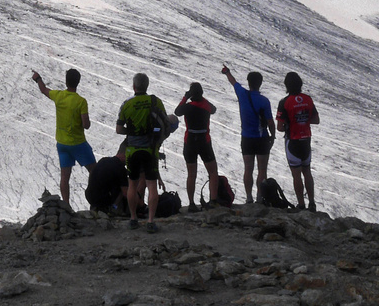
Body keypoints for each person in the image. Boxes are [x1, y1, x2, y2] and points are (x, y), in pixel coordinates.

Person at [31, 67, 94, 209]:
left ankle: (66, 205)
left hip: (62, 143)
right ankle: (94, 201)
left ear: (66, 82)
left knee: (65, 176)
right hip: (78, 143)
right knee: (94, 171)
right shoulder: (81, 101)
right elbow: (86, 125)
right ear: (78, 82)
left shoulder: (59, 96)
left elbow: (44, 90)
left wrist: (38, 78)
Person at [116, 72, 167, 232]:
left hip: (132, 150)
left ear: (134, 86)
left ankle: (133, 218)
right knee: (152, 185)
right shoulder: (155, 102)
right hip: (150, 150)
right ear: (147, 85)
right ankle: (151, 221)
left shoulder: (127, 105)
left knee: (132, 184)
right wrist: (153, 132)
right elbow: (163, 124)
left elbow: (119, 129)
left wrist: (131, 132)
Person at [221, 64, 275, 203]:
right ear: (260, 84)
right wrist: (272, 137)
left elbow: (233, 82)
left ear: (249, 82)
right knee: (262, 169)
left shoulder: (242, 94)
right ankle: (259, 198)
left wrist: (227, 72)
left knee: (248, 169)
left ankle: (249, 197)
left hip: (246, 138)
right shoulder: (264, 101)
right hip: (262, 138)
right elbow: (270, 122)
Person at [277, 70, 318, 211]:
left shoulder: (284, 102)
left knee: (296, 174)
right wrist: (303, 119)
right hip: (306, 139)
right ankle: (312, 203)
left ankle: (301, 204)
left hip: (292, 140)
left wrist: (291, 122)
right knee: (307, 171)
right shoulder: (307, 99)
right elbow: (316, 119)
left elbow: (280, 127)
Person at [175, 82, 218, 210]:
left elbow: (177, 111)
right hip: (204, 141)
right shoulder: (206, 106)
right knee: (213, 172)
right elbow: (214, 109)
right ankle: (213, 201)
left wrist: (185, 97)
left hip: (190, 142)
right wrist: (201, 98)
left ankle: (191, 204)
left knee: (191, 174)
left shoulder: (188, 107)